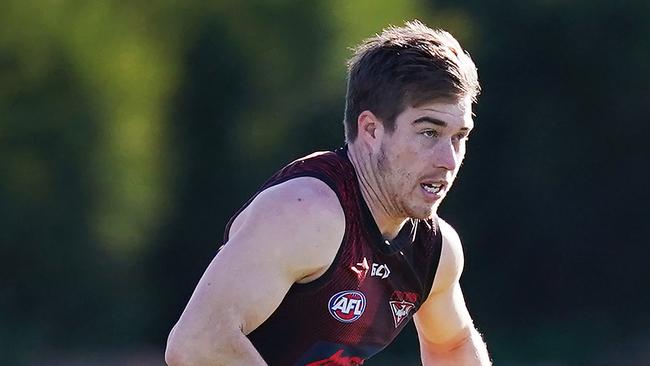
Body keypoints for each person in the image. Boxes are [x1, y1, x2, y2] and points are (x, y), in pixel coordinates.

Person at [165, 20, 490, 365]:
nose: (449, 159)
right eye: (429, 132)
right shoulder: (308, 212)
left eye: (460, 137)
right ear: (371, 130)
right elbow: (198, 342)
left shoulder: (433, 250)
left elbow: (452, 345)